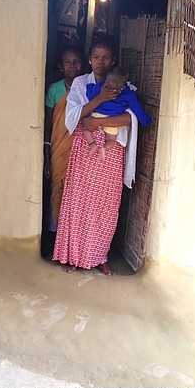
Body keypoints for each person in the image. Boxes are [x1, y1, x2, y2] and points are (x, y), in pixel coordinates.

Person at [53, 39, 148, 275]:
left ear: (113, 60)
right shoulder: (80, 84)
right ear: (90, 59)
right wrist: (100, 100)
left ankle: (100, 256)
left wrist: (97, 121)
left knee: (105, 205)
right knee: (78, 202)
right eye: (96, 57)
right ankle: (73, 256)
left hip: (110, 153)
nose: (100, 62)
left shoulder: (126, 87)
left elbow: (130, 119)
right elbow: (73, 117)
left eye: (106, 58)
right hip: (84, 150)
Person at [42, 45, 84, 243]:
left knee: (77, 192)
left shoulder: (87, 87)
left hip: (81, 148)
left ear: (82, 64)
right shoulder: (54, 89)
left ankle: (73, 239)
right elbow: (49, 122)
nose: (72, 66)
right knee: (58, 188)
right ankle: (56, 237)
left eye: (76, 61)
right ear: (61, 66)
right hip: (59, 148)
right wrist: (46, 152)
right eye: (67, 62)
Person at [83, 66, 152, 162]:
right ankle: (104, 148)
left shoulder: (103, 85)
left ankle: (92, 144)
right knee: (111, 140)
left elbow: (90, 95)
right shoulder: (129, 94)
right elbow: (137, 110)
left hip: (96, 115)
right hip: (112, 121)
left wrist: (91, 87)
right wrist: (147, 121)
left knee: (86, 128)